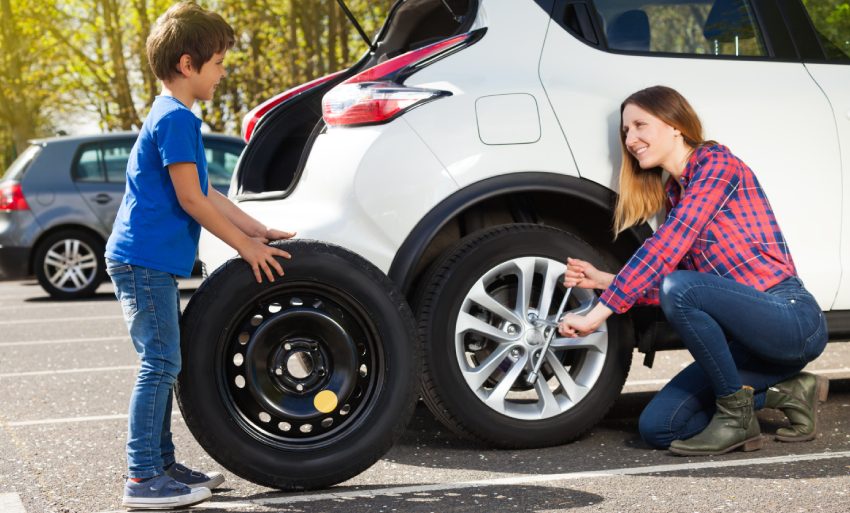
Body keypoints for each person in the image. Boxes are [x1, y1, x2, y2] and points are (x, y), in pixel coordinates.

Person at [558, 85, 828, 456]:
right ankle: (790, 391)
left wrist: (597, 314)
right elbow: (678, 293)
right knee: (660, 427)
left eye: (640, 125)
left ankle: (736, 421)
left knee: (680, 285)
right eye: (625, 132)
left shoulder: (716, 163)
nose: (631, 139)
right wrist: (605, 281)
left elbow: (673, 253)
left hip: (790, 319)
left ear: (674, 125)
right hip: (746, 346)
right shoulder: (675, 197)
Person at [105, 2, 295, 509]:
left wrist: (257, 228)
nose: (223, 73)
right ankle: (143, 477)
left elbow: (206, 193)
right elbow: (190, 200)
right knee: (160, 363)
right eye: (217, 64)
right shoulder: (176, 120)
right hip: (143, 260)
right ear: (188, 65)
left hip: (147, 260)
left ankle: (162, 463)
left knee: (165, 360)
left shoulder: (173, 114)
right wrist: (244, 248)